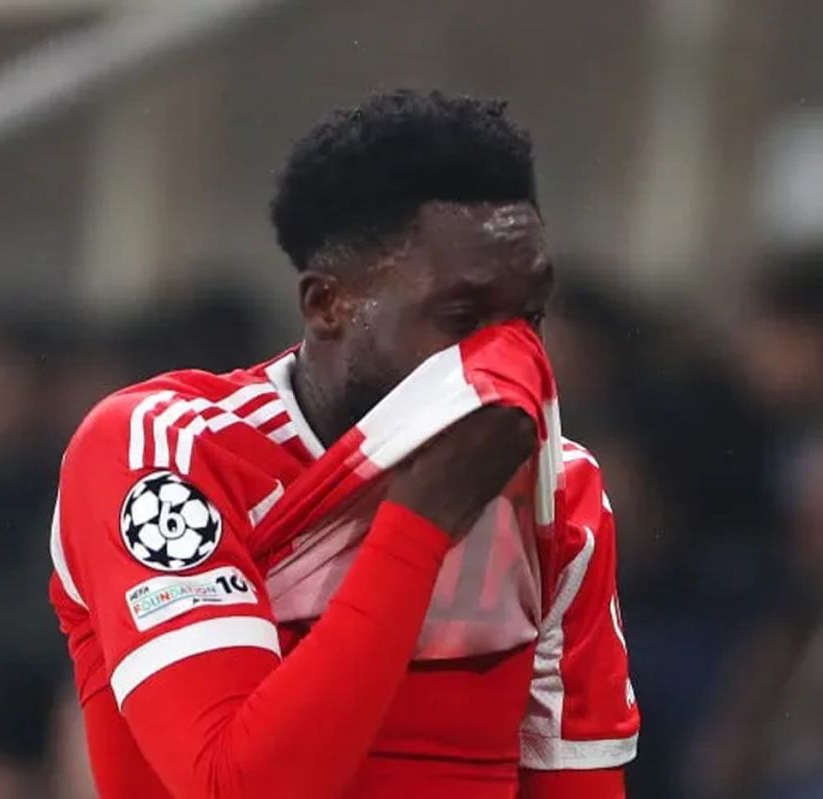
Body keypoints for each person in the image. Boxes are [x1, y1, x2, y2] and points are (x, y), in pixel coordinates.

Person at [49, 90, 638, 798]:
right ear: (328, 304)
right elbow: (237, 787)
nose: (510, 360)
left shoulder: (560, 490)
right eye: (462, 319)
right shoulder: (166, 453)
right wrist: (420, 522)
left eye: (531, 318)